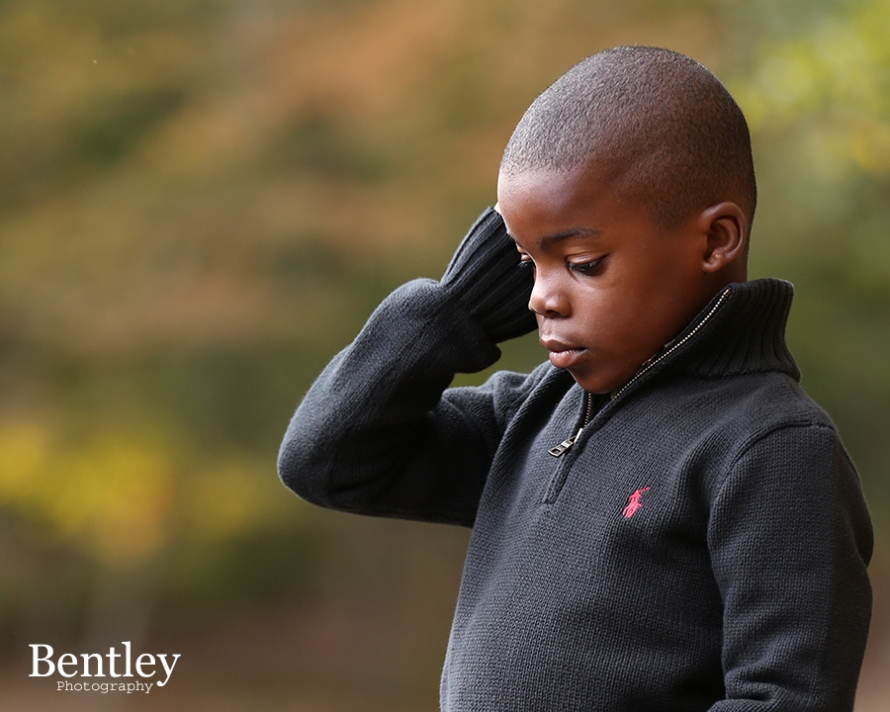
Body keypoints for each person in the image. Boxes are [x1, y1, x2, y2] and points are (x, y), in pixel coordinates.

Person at [277, 46, 873, 711]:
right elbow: (329, 461)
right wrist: (453, 309)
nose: (540, 297)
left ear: (714, 241)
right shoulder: (533, 414)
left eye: (582, 262)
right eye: (528, 261)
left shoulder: (771, 449)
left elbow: (786, 697)